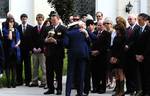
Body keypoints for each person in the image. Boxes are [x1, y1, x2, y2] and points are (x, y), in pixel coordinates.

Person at [64, 21, 90, 96]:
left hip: (72, 54)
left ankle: (67, 93)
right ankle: (80, 93)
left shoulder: (68, 33)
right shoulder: (83, 32)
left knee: (70, 74)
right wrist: (86, 34)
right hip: (82, 54)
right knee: (81, 74)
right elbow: (89, 42)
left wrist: (71, 47)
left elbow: (65, 44)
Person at [44, 12, 67, 95]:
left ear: (58, 19)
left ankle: (59, 89)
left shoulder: (63, 28)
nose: (53, 21)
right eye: (52, 20)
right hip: (49, 54)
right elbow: (42, 39)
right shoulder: (47, 28)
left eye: (54, 19)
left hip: (58, 55)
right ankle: (50, 89)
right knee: (49, 72)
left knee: (58, 73)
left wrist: (56, 41)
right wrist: (45, 40)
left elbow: (65, 41)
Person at [91, 20, 111, 94]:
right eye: (98, 25)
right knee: (95, 73)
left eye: (101, 25)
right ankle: (95, 87)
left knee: (102, 73)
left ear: (104, 25)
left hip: (102, 56)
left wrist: (98, 51)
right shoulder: (94, 33)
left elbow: (107, 45)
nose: (99, 26)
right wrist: (92, 51)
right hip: (94, 56)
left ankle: (102, 88)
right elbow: (91, 43)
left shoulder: (107, 34)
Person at [124, 14, 141, 95]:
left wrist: (129, 46)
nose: (129, 20)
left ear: (135, 19)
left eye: (131, 19)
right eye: (128, 19)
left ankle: (136, 89)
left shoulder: (138, 28)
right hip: (127, 54)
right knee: (128, 72)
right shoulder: (127, 29)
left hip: (134, 54)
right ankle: (129, 89)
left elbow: (136, 40)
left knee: (135, 73)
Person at [2, 17, 21, 88]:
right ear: (7, 22)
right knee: (8, 67)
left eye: (12, 22)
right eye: (10, 22)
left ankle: (14, 82)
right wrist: (10, 29)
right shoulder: (5, 30)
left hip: (15, 51)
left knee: (14, 67)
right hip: (7, 50)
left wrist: (17, 44)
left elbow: (19, 39)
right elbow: (9, 38)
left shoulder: (16, 30)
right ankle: (8, 82)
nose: (11, 23)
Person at [134, 13, 150, 96]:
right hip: (138, 57)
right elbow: (135, 43)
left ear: (144, 20)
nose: (138, 21)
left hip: (146, 57)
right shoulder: (137, 29)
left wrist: (143, 55)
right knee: (141, 75)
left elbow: (148, 45)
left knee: (147, 75)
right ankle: (143, 91)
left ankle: (147, 92)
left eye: (139, 20)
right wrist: (136, 55)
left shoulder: (148, 29)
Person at [30, 14, 47, 87]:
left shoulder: (46, 28)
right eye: (38, 19)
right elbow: (31, 40)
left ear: (43, 20)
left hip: (42, 51)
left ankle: (44, 82)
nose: (39, 21)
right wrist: (33, 48)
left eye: (41, 19)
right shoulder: (33, 29)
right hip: (34, 51)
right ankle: (35, 81)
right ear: (36, 20)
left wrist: (41, 48)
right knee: (35, 67)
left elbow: (46, 40)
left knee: (43, 67)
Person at [17, 13, 33, 86]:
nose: (24, 20)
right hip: (20, 50)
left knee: (28, 66)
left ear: (27, 19)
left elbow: (33, 40)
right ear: (21, 19)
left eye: (25, 18)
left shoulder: (31, 28)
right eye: (23, 19)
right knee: (19, 65)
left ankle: (28, 81)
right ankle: (19, 81)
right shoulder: (18, 28)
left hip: (28, 50)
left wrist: (31, 49)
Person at [110, 22, 126, 96]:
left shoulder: (124, 37)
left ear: (121, 29)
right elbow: (113, 47)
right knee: (116, 73)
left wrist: (116, 58)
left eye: (118, 29)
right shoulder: (116, 37)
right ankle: (118, 90)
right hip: (114, 57)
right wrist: (112, 57)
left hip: (121, 57)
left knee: (120, 72)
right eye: (116, 29)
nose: (116, 30)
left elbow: (122, 49)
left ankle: (122, 91)